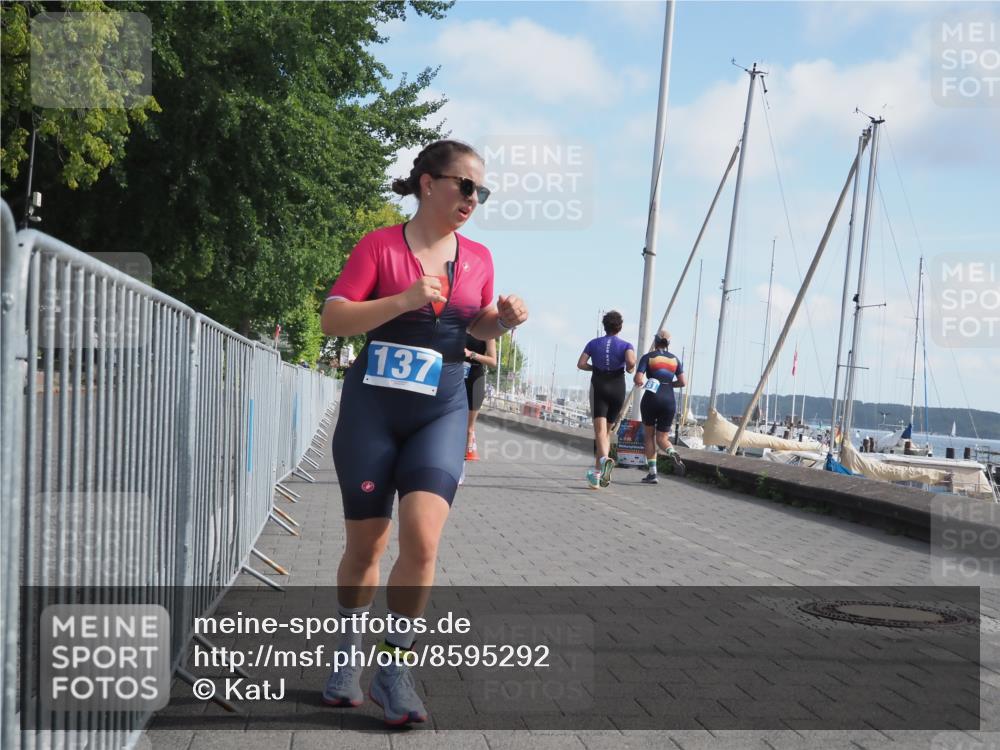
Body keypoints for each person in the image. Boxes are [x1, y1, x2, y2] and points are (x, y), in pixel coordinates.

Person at [319, 139, 528, 725]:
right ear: (428, 183)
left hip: (440, 407)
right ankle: (345, 661)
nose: (474, 198)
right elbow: (332, 318)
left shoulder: (480, 257)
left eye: (482, 191)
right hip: (373, 412)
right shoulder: (380, 245)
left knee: (424, 542)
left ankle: (393, 668)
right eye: (466, 186)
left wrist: (500, 322)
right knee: (368, 547)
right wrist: (403, 299)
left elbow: (475, 324)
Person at [577, 311, 636, 489]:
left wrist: (594, 368)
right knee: (606, 433)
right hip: (618, 388)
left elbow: (580, 364)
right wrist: (631, 367)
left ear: (605, 326)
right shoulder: (626, 345)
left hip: (599, 386)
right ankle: (598, 475)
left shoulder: (593, 343)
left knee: (600, 433)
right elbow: (631, 363)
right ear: (620, 326)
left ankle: (604, 461)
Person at [633, 329, 686, 483]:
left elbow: (638, 379)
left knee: (649, 436)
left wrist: (640, 382)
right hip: (669, 399)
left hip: (651, 398)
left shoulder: (648, 357)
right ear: (668, 344)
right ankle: (672, 452)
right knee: (662, 438)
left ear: (655, 341)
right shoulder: (675, 360)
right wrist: (669, 384)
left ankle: (652, 473)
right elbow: (683, 382)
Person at [463, 333, 498, 461]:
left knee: (469, 427)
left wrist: (471, 354)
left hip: (475, 378)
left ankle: (469, 444)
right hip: (455, 374)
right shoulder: (460, 323)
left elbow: (493, 362)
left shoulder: (488, 330)